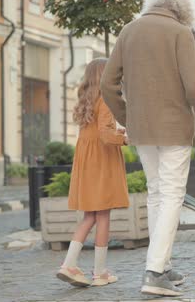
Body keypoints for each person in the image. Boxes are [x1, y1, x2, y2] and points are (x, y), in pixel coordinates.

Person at [100, 0, 195, 297]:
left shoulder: (129, 30)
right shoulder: (181, 33)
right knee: (171, 196)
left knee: (156, 195)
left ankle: (163, 265)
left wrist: (128, 117)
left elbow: (107, 83)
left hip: (141, 130)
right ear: (184, 10)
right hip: (173, 129)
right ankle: (155, 272)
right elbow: (194, 88)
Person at [56, 58, 129, 288]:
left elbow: (98, 129)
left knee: (89, 216)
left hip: (86, 161)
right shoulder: (106, 99)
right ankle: (99, 273)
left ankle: (69, 264)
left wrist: (116, 131)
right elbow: (106, 135)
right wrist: (126, 138)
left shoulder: (85, 99)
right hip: (102, 160)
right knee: (103, 215)